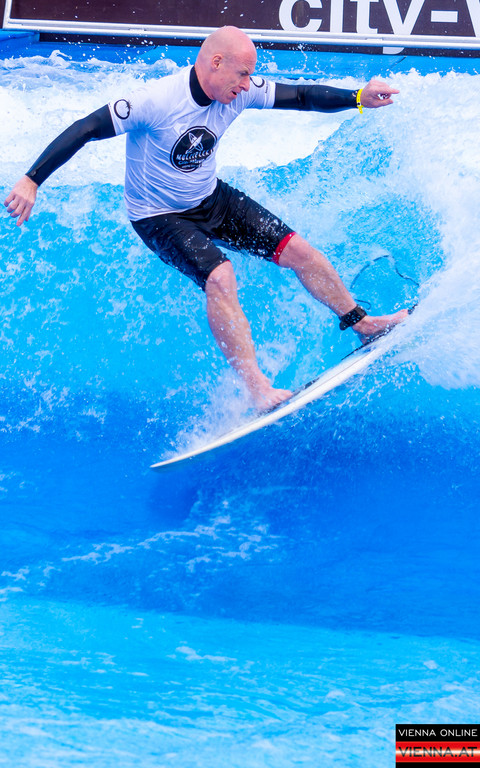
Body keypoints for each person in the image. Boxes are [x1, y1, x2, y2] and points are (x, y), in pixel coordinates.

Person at [4, 25, 408, 409]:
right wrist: (32, 179)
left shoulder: (238, 92)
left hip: (210, 198)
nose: (248, 85)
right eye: (243, 74)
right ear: (216, 62)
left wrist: (358, 97)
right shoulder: (156, 101)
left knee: (299, 252)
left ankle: (362, 323)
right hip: (158, 215)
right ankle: (258, 389)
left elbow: (302, 95)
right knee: (220, 277)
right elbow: (86, 127)